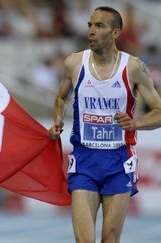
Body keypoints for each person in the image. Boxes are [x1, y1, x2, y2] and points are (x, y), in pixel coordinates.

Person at [49, 6, 161, 243]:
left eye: (99, 26)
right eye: (90, 25)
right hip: (84, 161)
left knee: (110, 239)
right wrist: (58, 119)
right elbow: (61, 97)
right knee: (84, 240)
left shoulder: (133, 68)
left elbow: (159, 112)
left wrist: (136, 123)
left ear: (115, 33)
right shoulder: (74, 63)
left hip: (119, 162)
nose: (91, 30)